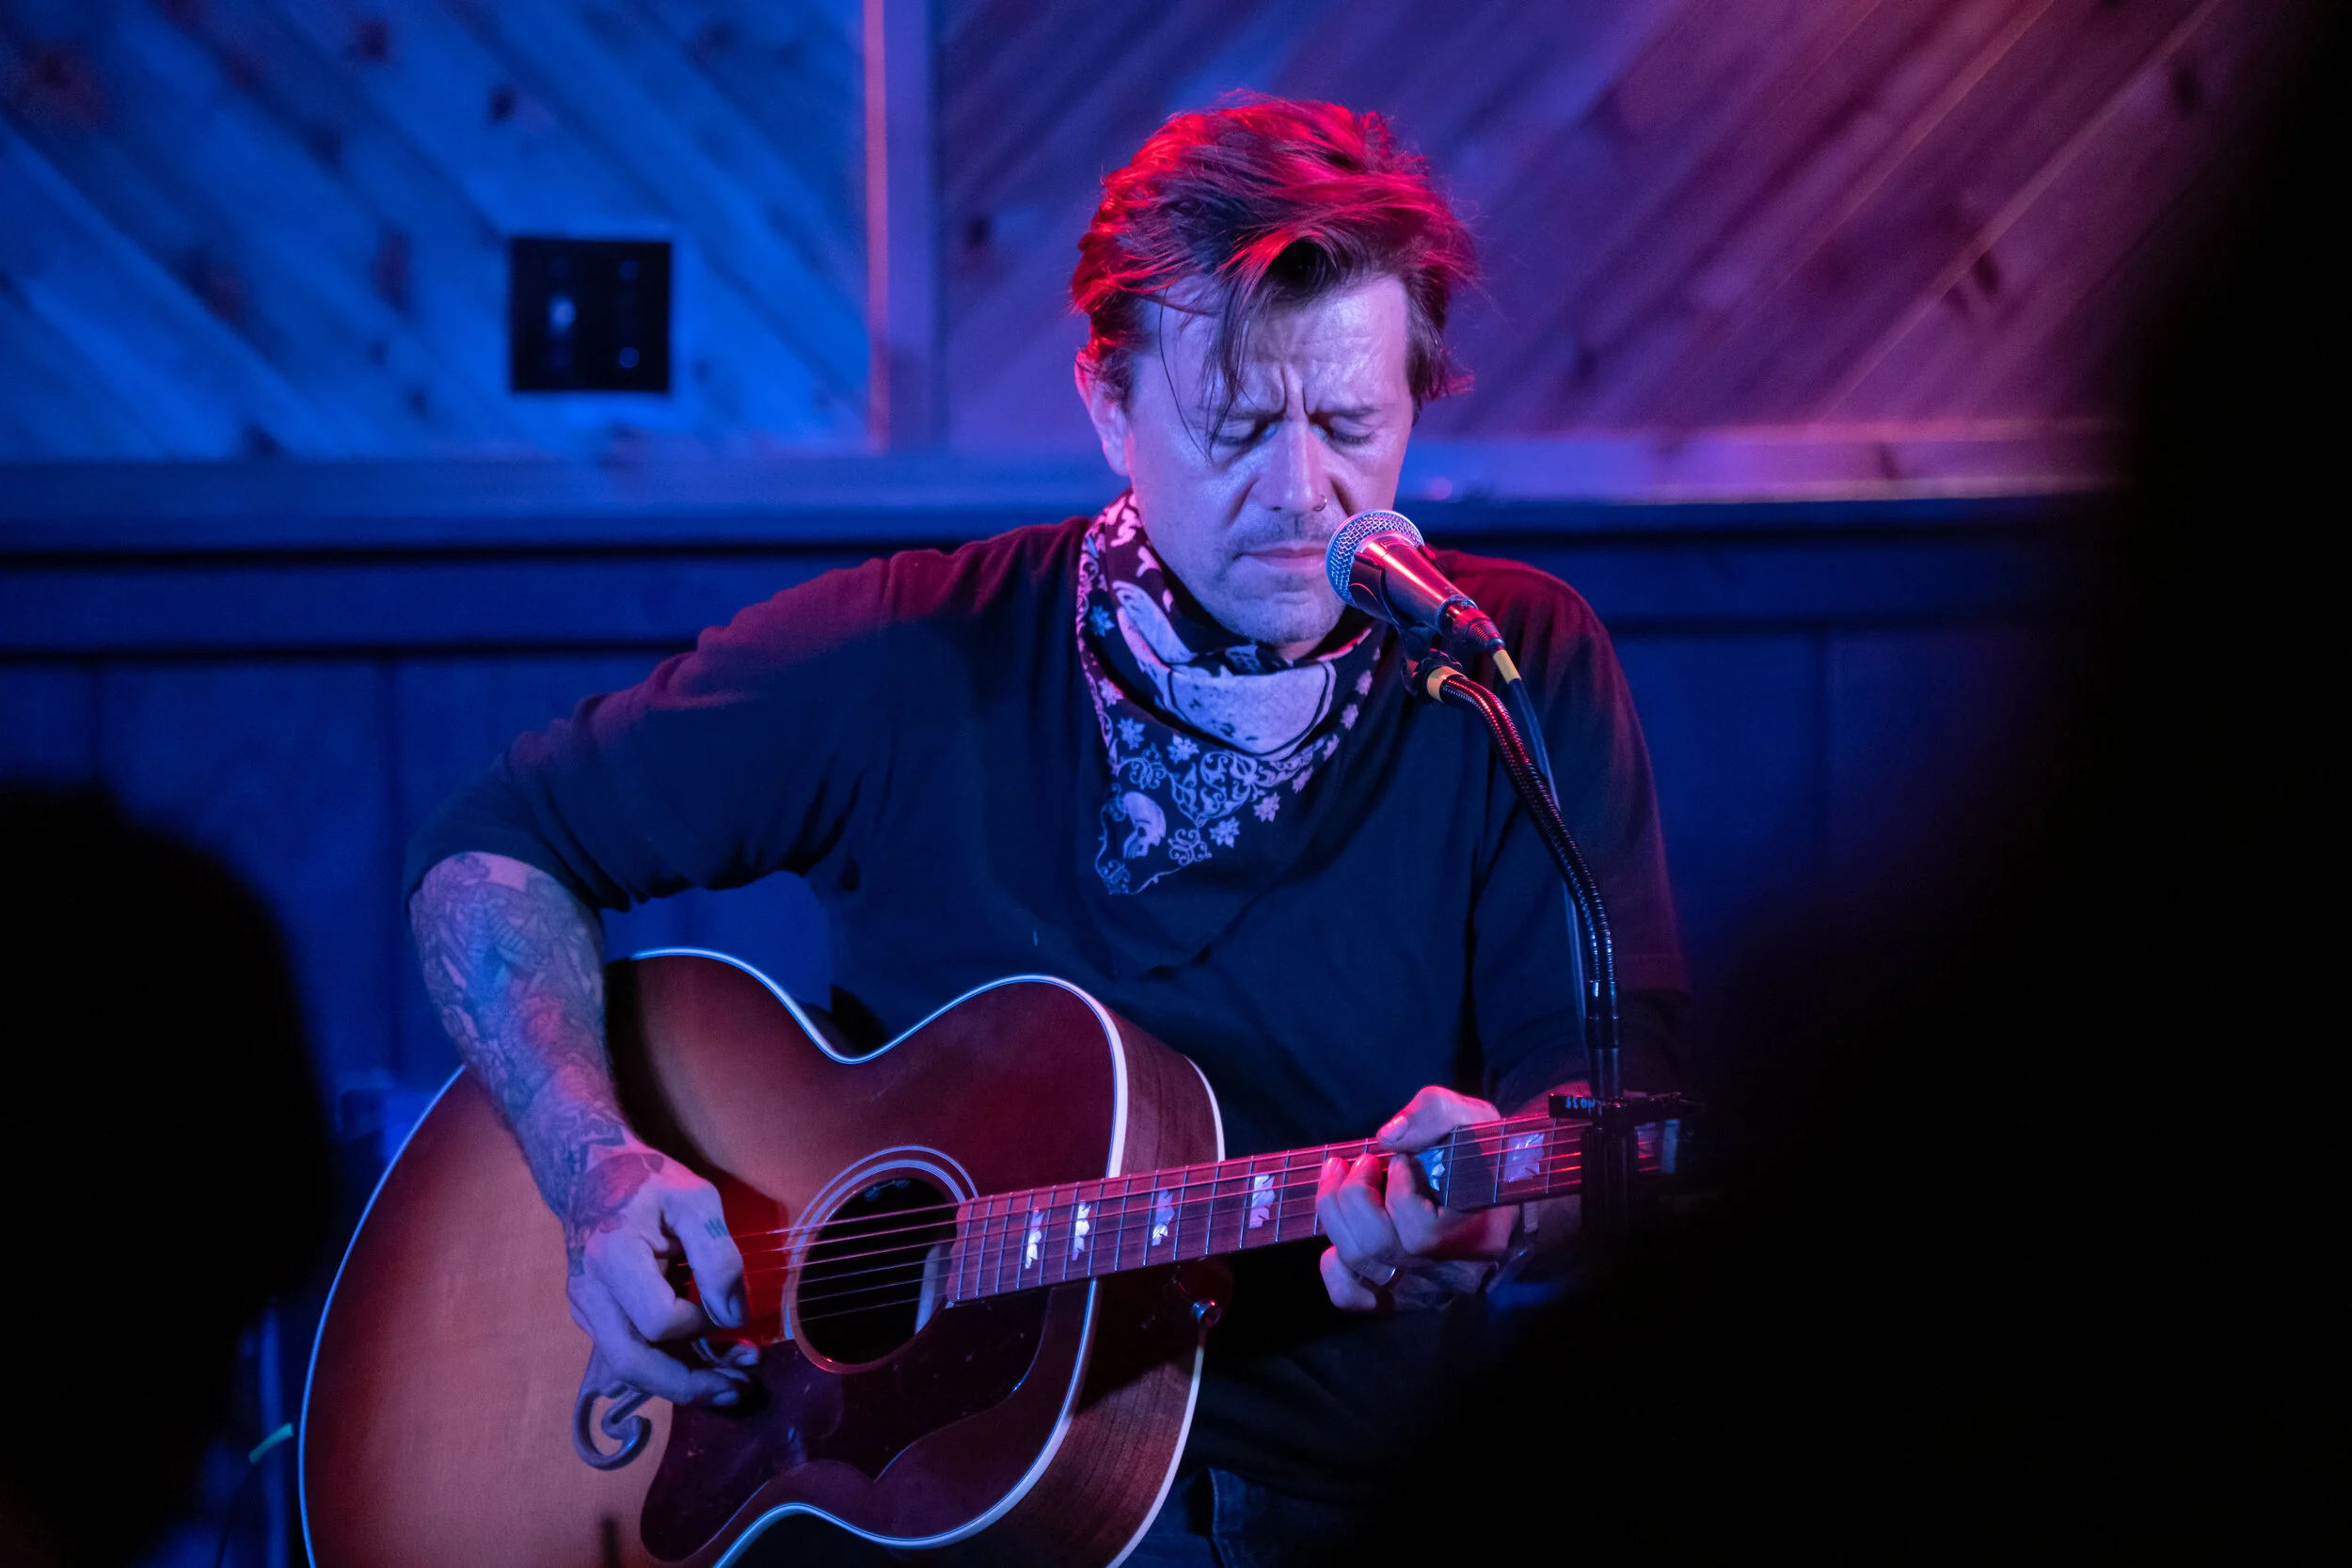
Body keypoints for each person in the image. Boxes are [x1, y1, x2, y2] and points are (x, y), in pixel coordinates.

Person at [405, 97, 1687, 1561]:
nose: (1300, 492)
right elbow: (490, 849)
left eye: (1350, 424)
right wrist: (594, 1168)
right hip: (907, 1518)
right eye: (1234, 427)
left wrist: (1500, 1205)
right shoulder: (909, 650)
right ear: (1108, 403)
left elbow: (1608, 1105)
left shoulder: (1512, 668)